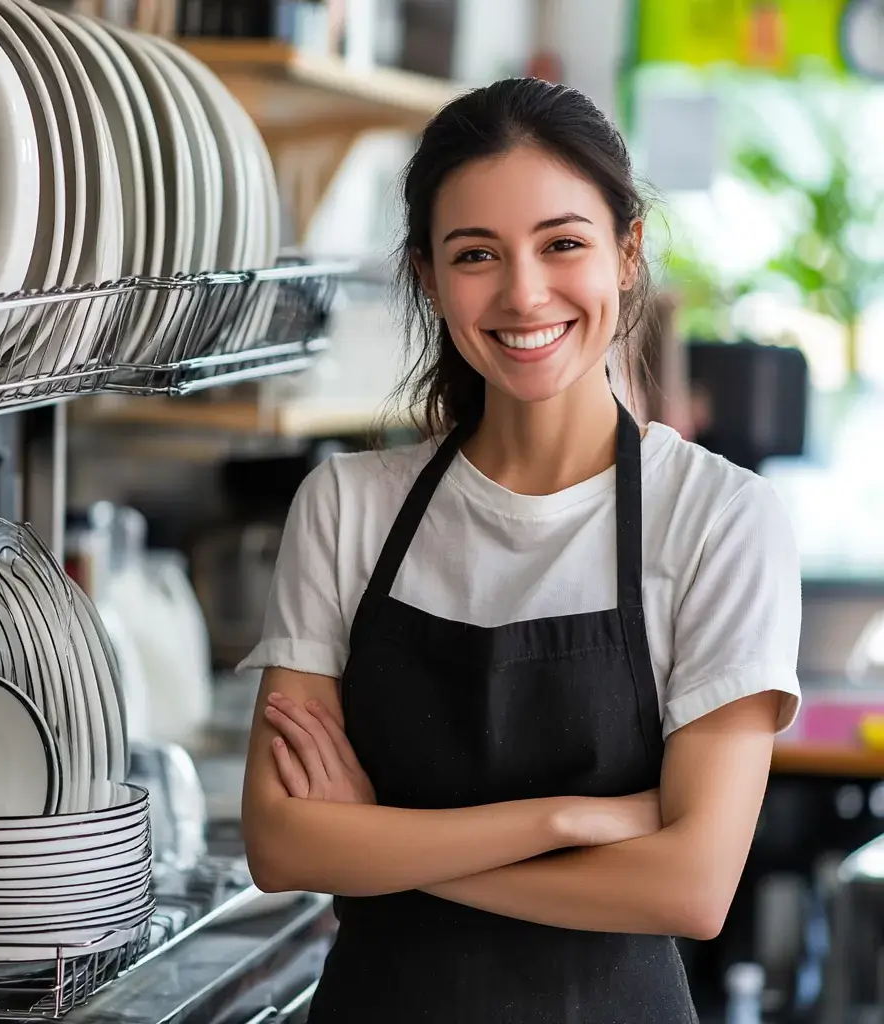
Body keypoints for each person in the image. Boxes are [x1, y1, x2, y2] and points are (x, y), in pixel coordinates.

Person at [238, 77, 802, 1023]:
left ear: (627, 253)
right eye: (476, 255)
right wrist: (563, 821)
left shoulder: (720, 519)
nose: (524, 293)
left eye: (562, 244)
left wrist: (377, 843)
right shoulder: (345, 506)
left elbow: (692, 889)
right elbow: (282, 845)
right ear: (427, 276)